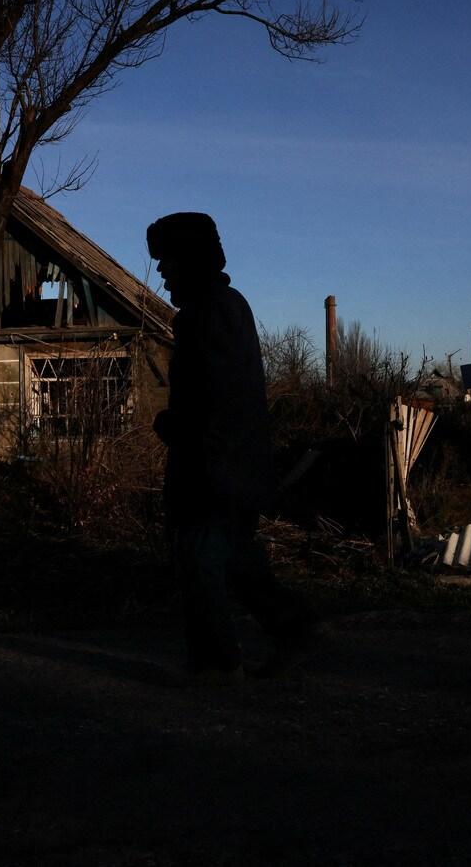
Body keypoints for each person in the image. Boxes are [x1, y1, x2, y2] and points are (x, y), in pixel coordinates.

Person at [148, 211, 316, 680]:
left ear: (191, 260)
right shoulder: (219, 308)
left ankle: (216, 664)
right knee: (236, 561)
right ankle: (294, 633)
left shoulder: (213, 312)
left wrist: (179, 429)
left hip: (213, 471)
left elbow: (220, 398)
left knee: (201, 561)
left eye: (167, 262)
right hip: (225, 467)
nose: (161, 273)